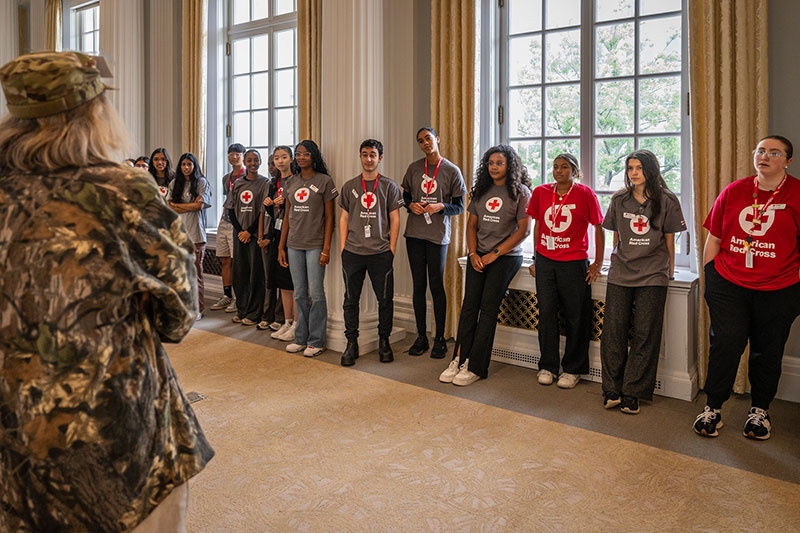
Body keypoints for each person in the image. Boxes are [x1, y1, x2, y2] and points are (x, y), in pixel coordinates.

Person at [0, 51, 213, 532]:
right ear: (93, 113)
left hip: (13, 443)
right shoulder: (124, 193)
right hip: (119, 441)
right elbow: (179, 315)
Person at [694, 135, 799, 440]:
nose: (765, 156)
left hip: (779, 290)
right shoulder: (735, 191)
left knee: (767, 352)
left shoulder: (796, 193)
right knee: (725, 346)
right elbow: (714, 238)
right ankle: (713, 407)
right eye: (761, 151)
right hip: (729, 285)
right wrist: (710, 279)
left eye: (774, 152)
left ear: (787, 161)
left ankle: (760, 411)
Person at [600, 149, 686, 414]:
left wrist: (669, 271)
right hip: (621, 272)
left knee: (645, 333)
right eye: (629, 168)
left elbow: (670, 239)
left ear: (651, 170)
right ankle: (612, 389)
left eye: (638, 168)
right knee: (613, 331)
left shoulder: (668, 200)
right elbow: (616, 237)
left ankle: (632, 392)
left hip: (653, 274)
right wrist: (613, 262)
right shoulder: (619, 199)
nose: (633, 173)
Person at [438, 144, 532, 386]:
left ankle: (476, 366)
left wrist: (495, 254)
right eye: (490, 163)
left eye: (499, 163)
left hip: (506, 258)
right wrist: (473, 254)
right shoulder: (482, 190)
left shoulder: (521, 193)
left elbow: (524, 230)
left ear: (509, 165)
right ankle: (459, 358)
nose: (494, 167)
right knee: (469, 305)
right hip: (477, 255)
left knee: (488, 307)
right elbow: (471, 226)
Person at [527, 154, 605, 389]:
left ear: (575, 171)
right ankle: (548, 365)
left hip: (573, 262)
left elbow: (598, 227)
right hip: (546, 262)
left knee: (576, 316)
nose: (559, 171)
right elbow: (538, 225)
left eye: (564, 167)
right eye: (555, 167)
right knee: (546, 313)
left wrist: (598, 263)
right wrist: (536, 257)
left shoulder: (585, 194)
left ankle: (573, 368)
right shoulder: (541, 192)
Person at [402, 127, 467, 358]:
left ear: (437, 139)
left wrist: (441, 207)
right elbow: (405, 196)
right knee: (418, 286)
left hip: (438, 236)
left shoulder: (451, 170)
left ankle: (439, 337)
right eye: (420, 141)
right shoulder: (414, 168)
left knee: (436, 285)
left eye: (428, 138)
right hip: (415, 234)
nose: (425, 143)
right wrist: (410, 205)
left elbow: (459, 206)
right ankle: (421, 336)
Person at [339, 139, 404, 366]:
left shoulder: (389, 186)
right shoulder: (349, 186)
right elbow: (344, 218)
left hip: (380, 253)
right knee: (350, 300)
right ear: (360, 157)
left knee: (385, 300)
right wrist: (343, 248)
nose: (368, 159)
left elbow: (395, 219)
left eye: (373, 155)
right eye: (365, 154)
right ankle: (351, 343)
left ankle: (384, 341)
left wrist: (392, 249)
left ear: (380, 158)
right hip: (353, 252)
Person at [278, 140, 338, 357]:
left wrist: (326, 248)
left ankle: (316, 340)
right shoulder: (291, 182)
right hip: (294, 245)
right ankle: (300, 337)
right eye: (298, 154)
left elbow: (330, 218)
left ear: (314, 156)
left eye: (306, 154)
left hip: (315, 245)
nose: (301, 157)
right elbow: (286, 217)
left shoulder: (324, 181)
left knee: (317, 293)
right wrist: (281, 247)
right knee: (300, 293)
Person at [226, 149, 271, 326]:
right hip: (239, 235)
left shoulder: (265, 183)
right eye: (249, 160)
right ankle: (242, 309)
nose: (253, 163)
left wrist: (249, 231)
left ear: (260, 162)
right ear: (244, 162)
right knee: (240, 273)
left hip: (254, 235)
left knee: (256, 274)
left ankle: (254, 313)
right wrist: (240, 231)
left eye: (256, 160)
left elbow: (262, 211)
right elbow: (230, 209)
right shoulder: (237, 184)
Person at [169, 152, 212, 320]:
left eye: (189, 164)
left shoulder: (201, 182)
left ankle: (197, 308)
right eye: (183, 164)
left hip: (196, 235)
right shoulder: (174, 183)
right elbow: (169, 206)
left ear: (194, 166)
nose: (186, 167)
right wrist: (190, 205)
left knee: (195, 274)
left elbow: (199, 206)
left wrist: (180, 206)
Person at [262, 146, 297, 341]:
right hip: (277, 232)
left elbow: (294, 207)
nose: (280, 161)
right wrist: (270, 204)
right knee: (282, 281)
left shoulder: (296, 180)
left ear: (291, 159)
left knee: (294, 281)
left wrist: (283, 203)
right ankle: (287, 321)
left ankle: (297, 324)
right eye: (277, 158)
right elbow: (271, 214)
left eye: (284, 157)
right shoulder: (273, 183)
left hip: (294, 233)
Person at [209, 143, 246, 314]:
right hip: (224, 220)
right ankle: (227, 295)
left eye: (237, 154)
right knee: (224, 259)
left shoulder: (247, 175)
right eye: (231, 154)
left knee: (236, 260)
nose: (233, 157)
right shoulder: (226, 178)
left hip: (238, 222)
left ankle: (239, 298)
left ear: (242, 156)